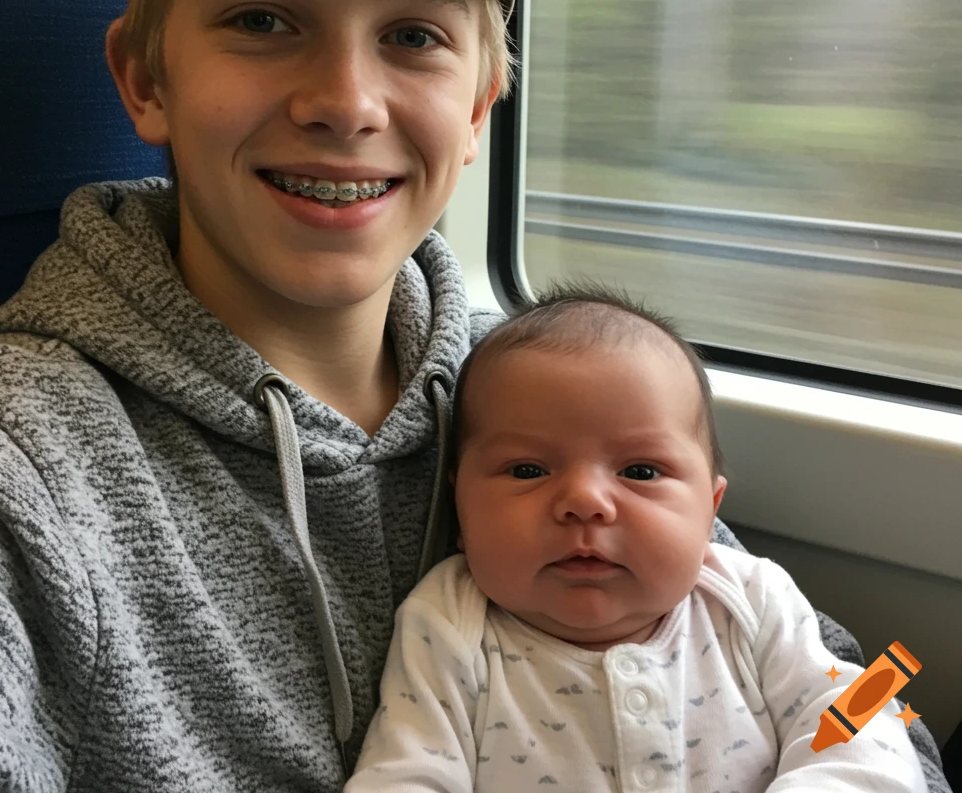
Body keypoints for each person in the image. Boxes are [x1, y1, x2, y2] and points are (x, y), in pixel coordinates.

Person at [0, 0, 947, 792]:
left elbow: (865, 710)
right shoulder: (9, 461)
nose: (345, 100)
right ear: (146, 79)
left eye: (414, 36)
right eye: (259, 19)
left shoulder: (549, 389)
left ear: (478, 108)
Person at [345, 284, 929, 792]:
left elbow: (862, 710)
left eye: (640, 472)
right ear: (460, 507)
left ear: (710, 513)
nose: (585, 503)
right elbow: (408, 772)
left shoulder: (751, 595)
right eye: (527, 470)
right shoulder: (446, 624)